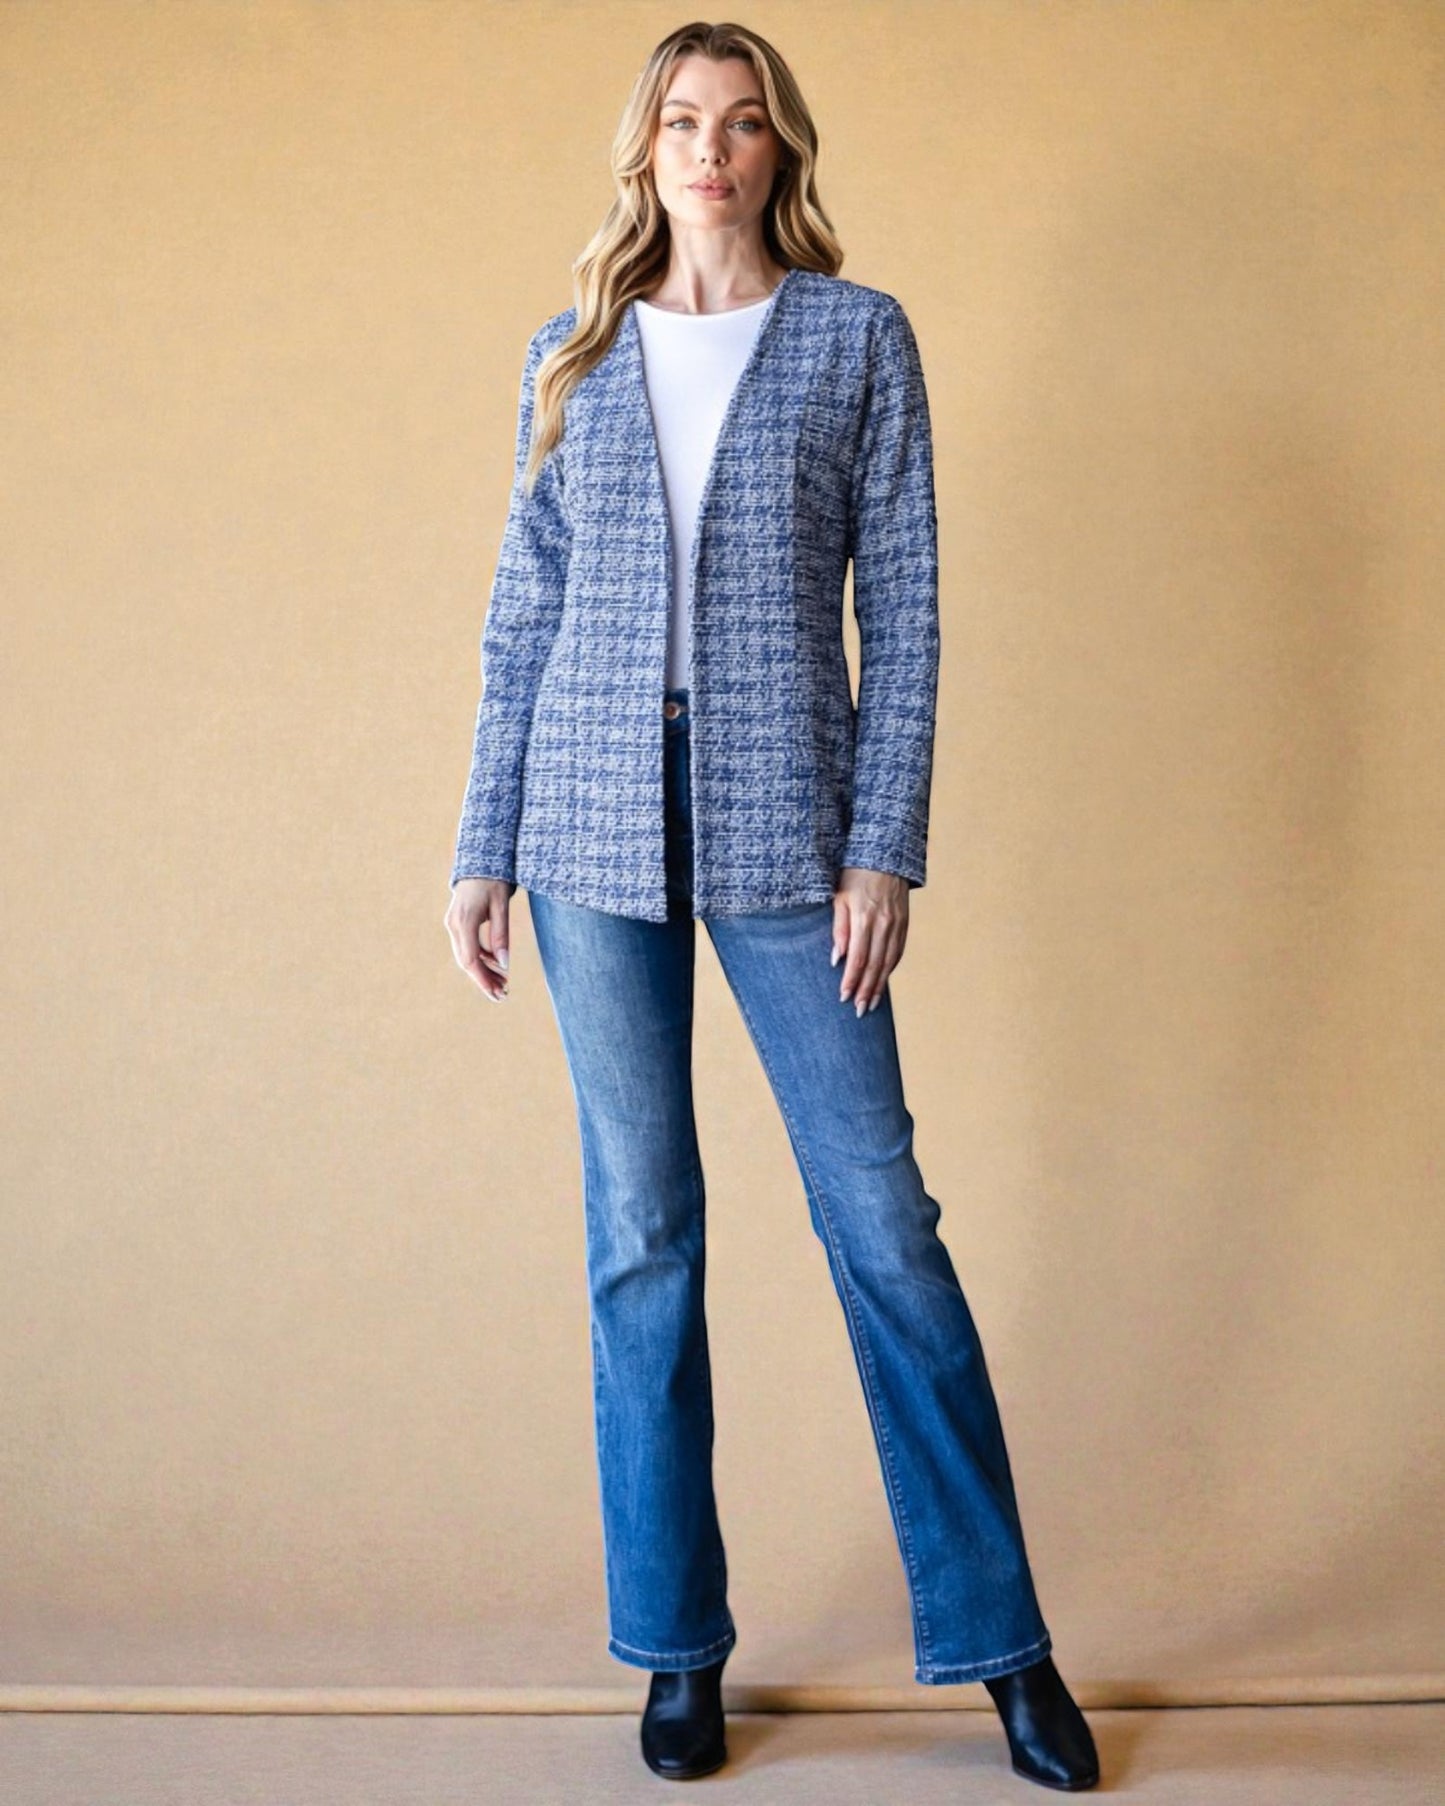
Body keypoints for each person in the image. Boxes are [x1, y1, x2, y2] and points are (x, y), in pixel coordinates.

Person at [443, 20, 1100, 1793]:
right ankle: (675, 1646)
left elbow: (913, 607)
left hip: (789, 829)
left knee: (879, 1218)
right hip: (585, 824)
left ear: (777, 147)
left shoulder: (854, 338)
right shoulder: (569, 352)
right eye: (680, 121)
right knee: (640, 1235)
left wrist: (885, 844)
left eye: (740, 123)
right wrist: (477, 841)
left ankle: (1002, 1641)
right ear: (641, 148)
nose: (709, 150)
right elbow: (524, 615)